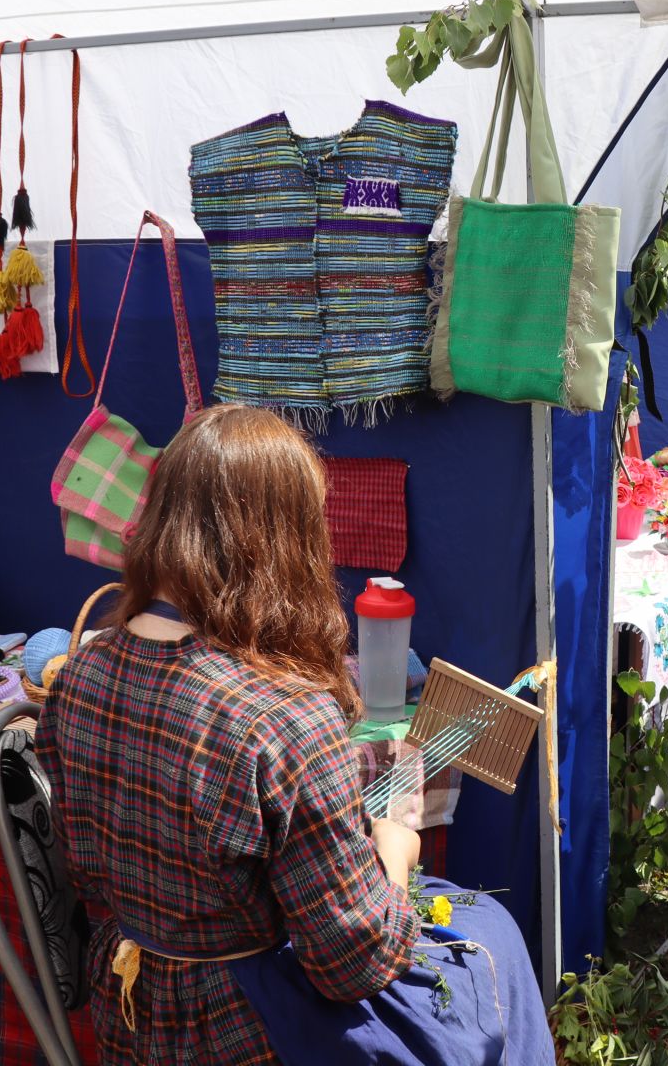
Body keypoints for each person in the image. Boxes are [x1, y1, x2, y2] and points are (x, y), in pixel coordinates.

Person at [37, 404, 553, 1065]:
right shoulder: (283, 719)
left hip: (130, 1013)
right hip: (246, 1035)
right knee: (493, 944)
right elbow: (355, 963)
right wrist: (397, 843)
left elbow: (90, 869)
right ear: (285, 543)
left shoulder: (80, 672)